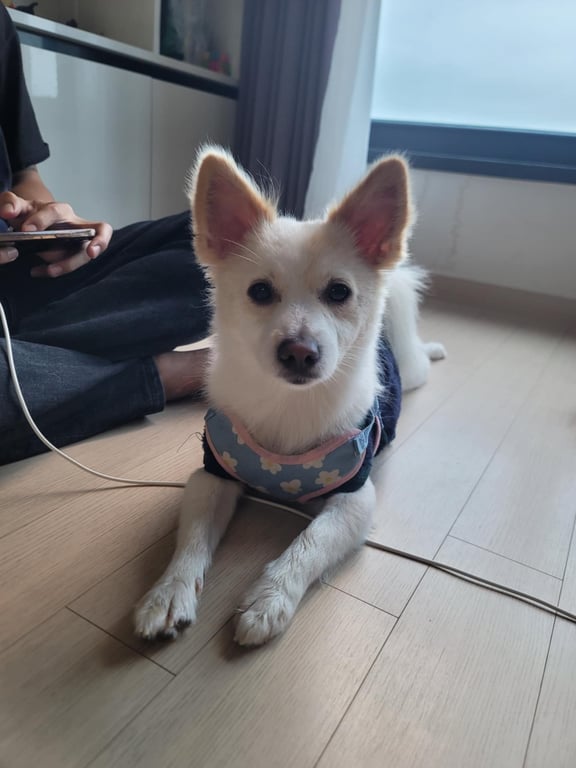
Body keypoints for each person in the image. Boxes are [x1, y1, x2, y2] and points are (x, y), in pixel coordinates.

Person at [0, 4, 211, 465]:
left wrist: (48, 219)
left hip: (19, 272)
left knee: (226, 242)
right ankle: (159, 374)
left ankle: (38, 368)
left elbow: (25, 175)